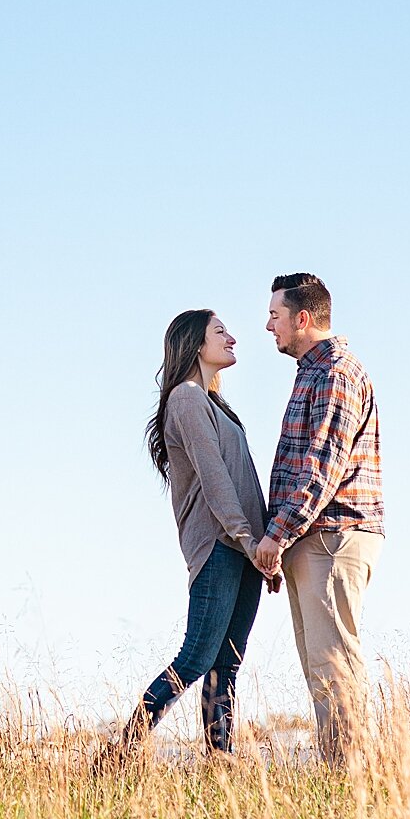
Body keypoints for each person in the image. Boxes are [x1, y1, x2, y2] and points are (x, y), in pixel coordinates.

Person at [121, 309, 273, 756]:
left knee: (226, 667)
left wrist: (264, 550)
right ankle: (121, 751)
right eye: (220, 331)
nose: (232, 338)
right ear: (195, 343)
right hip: (220, 547)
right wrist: (248, 540)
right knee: (196, 659)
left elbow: (244, 481)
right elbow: (215, 478)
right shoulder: (185, 398)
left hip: (245, 551)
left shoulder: (213, 404)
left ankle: (219, 764)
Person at [251, 273, 384, 763]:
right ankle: (341, 780)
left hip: (333, 535)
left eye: (275, 316)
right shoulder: (314, 372)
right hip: (316, 538)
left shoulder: (333, 373)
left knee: (334, 667)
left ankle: (353, 785)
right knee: (322, 668)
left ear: (302, 319)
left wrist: (277, 535)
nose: (268, 326)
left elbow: (322, 466)